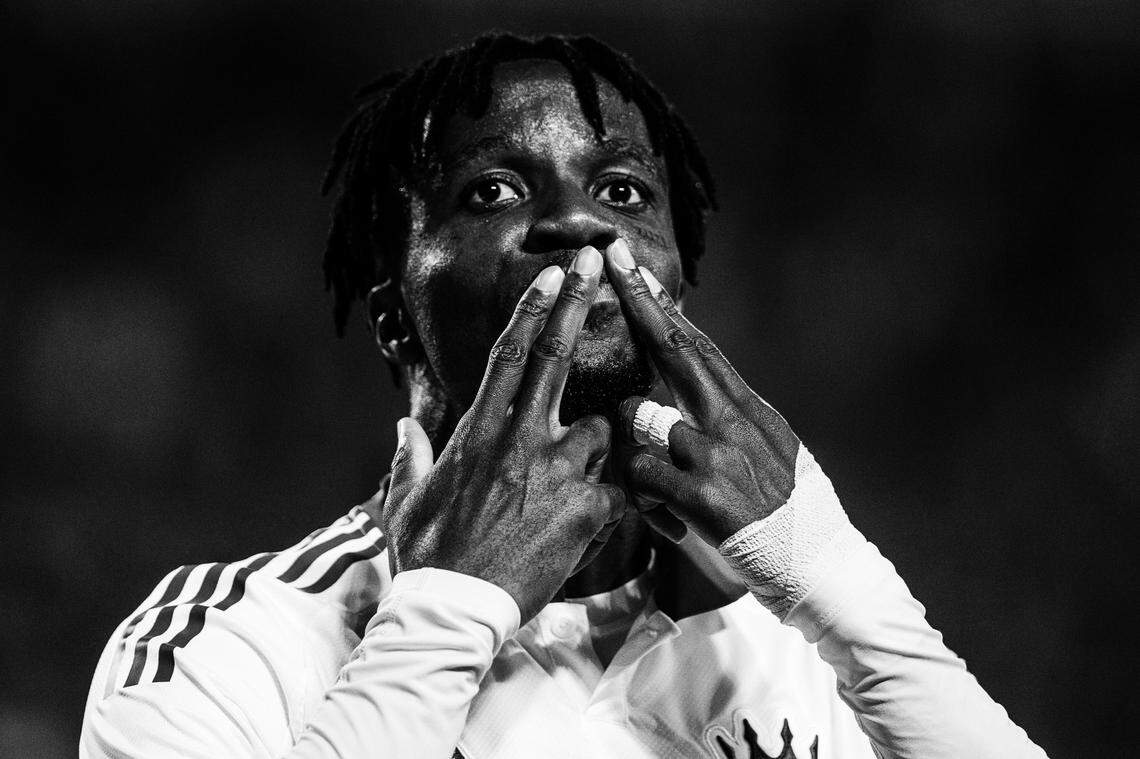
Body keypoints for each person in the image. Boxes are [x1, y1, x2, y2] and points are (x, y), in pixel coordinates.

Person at [80, 33, 1049, 759]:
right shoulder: (229, 643)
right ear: (394, 318)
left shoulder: (806, 634)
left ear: (674, 281)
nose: (580, 221)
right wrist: (441, 620)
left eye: (624, 191)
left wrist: (852, 590)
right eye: (493, 191)